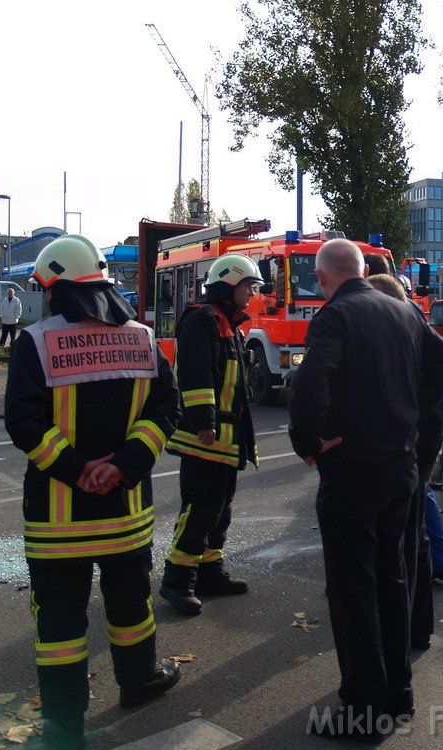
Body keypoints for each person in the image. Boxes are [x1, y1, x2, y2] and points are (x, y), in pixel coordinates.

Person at [5, 235, 182, 749]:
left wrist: (77, 469)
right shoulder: (143, 339)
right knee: (130, 604)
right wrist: (123, 466)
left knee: (60, 621)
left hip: (58, 520)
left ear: (55, 287)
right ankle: (140, 680)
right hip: (125, 511)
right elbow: (165, 410)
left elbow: (23, 419)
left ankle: (64, 728)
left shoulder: (35, 343)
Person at [289, 239, 443, 742]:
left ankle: (362, 707)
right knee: (394, 577)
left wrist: (309, 441)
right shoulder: (402, 309)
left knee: (352, 588)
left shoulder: (335, 316)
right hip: (399, 468)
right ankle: (397, 692)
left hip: (353, 470)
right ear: (363, 270)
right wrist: (406, 409)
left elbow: (310, 382)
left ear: (322, 278)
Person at [160, 254, 260, 616]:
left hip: (225, 438)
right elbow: (195, 374)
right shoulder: (201, 320)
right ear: (229, 284)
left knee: (221, 509)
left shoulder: (227, 323)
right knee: (200, 509)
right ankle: (176, 580)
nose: (252, 294)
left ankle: (209, 571)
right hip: (205, 437)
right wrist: (204, 421)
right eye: (248, 286)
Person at [366, 273, 443, 646]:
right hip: (419, 431)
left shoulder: (403, 320)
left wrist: (409, 409)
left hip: (415, 436)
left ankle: (408, 627)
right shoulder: (408, 317)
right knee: (413, 526)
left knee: (408, 531)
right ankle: (416, 628)